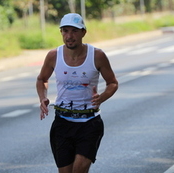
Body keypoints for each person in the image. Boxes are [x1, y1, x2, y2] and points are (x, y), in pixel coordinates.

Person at [36, 13, 118, 173]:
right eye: (65, 31)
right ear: (61, 33)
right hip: (62, 123)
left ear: (83, 33)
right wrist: (43, 98)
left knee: (79, 170)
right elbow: (41, 79)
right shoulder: (54, 56)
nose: (69, 36)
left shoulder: (97, 56)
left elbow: (113, 83)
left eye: (74, 31)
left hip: (89, 123)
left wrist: (102, 97)